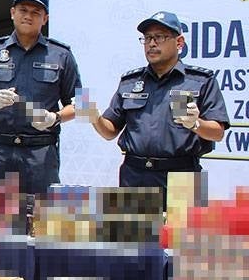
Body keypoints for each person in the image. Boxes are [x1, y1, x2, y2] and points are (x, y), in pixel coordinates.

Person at [75, 11, 229, 197]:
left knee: (182, 227)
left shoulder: (200, 81)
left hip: (183, 176)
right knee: (134, 227)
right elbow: (110, 131)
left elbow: (218, 132)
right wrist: (94, 118)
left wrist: (195, 123)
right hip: (135, 174)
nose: (152, 43)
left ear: (179, 42)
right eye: (147, 38)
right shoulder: (130, 82)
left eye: (160, 37)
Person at [0, 0, 81, 194]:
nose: (28, 16)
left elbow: (84, 105)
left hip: (41, 151)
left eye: (36, 12)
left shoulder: (62, 55)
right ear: (12, 13)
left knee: (42, 218)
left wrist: (55, 117)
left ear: (45, 19)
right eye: (23, 10)